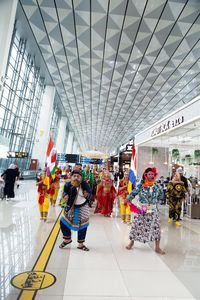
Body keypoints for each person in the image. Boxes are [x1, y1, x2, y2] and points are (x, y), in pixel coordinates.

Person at [126, 167, 165, 255]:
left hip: (153, 210)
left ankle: (157, 247)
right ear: (145, 175)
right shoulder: (140, 185)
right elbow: (133, 193)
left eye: (153, 174)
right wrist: (128, 199)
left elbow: (161, 196)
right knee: (136, 226)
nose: (151, 176)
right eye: (149, 174)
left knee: (156, 229)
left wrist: (155, 202)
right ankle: (131, 243)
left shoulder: (158, 186)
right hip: (142, 210)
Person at [59, 170, 92, 251]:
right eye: (74, 176)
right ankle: (67, 239)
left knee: (83, 225)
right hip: (71, 206)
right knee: (63, 222)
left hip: (83, 207)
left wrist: (87, 194)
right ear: (71, 177)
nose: (76, 178)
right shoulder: (68, 185)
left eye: (78, 176)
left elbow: (90, 193)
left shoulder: (85, 185)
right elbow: (64, 192)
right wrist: (65, 195)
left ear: (81, 178)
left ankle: (81, 244)